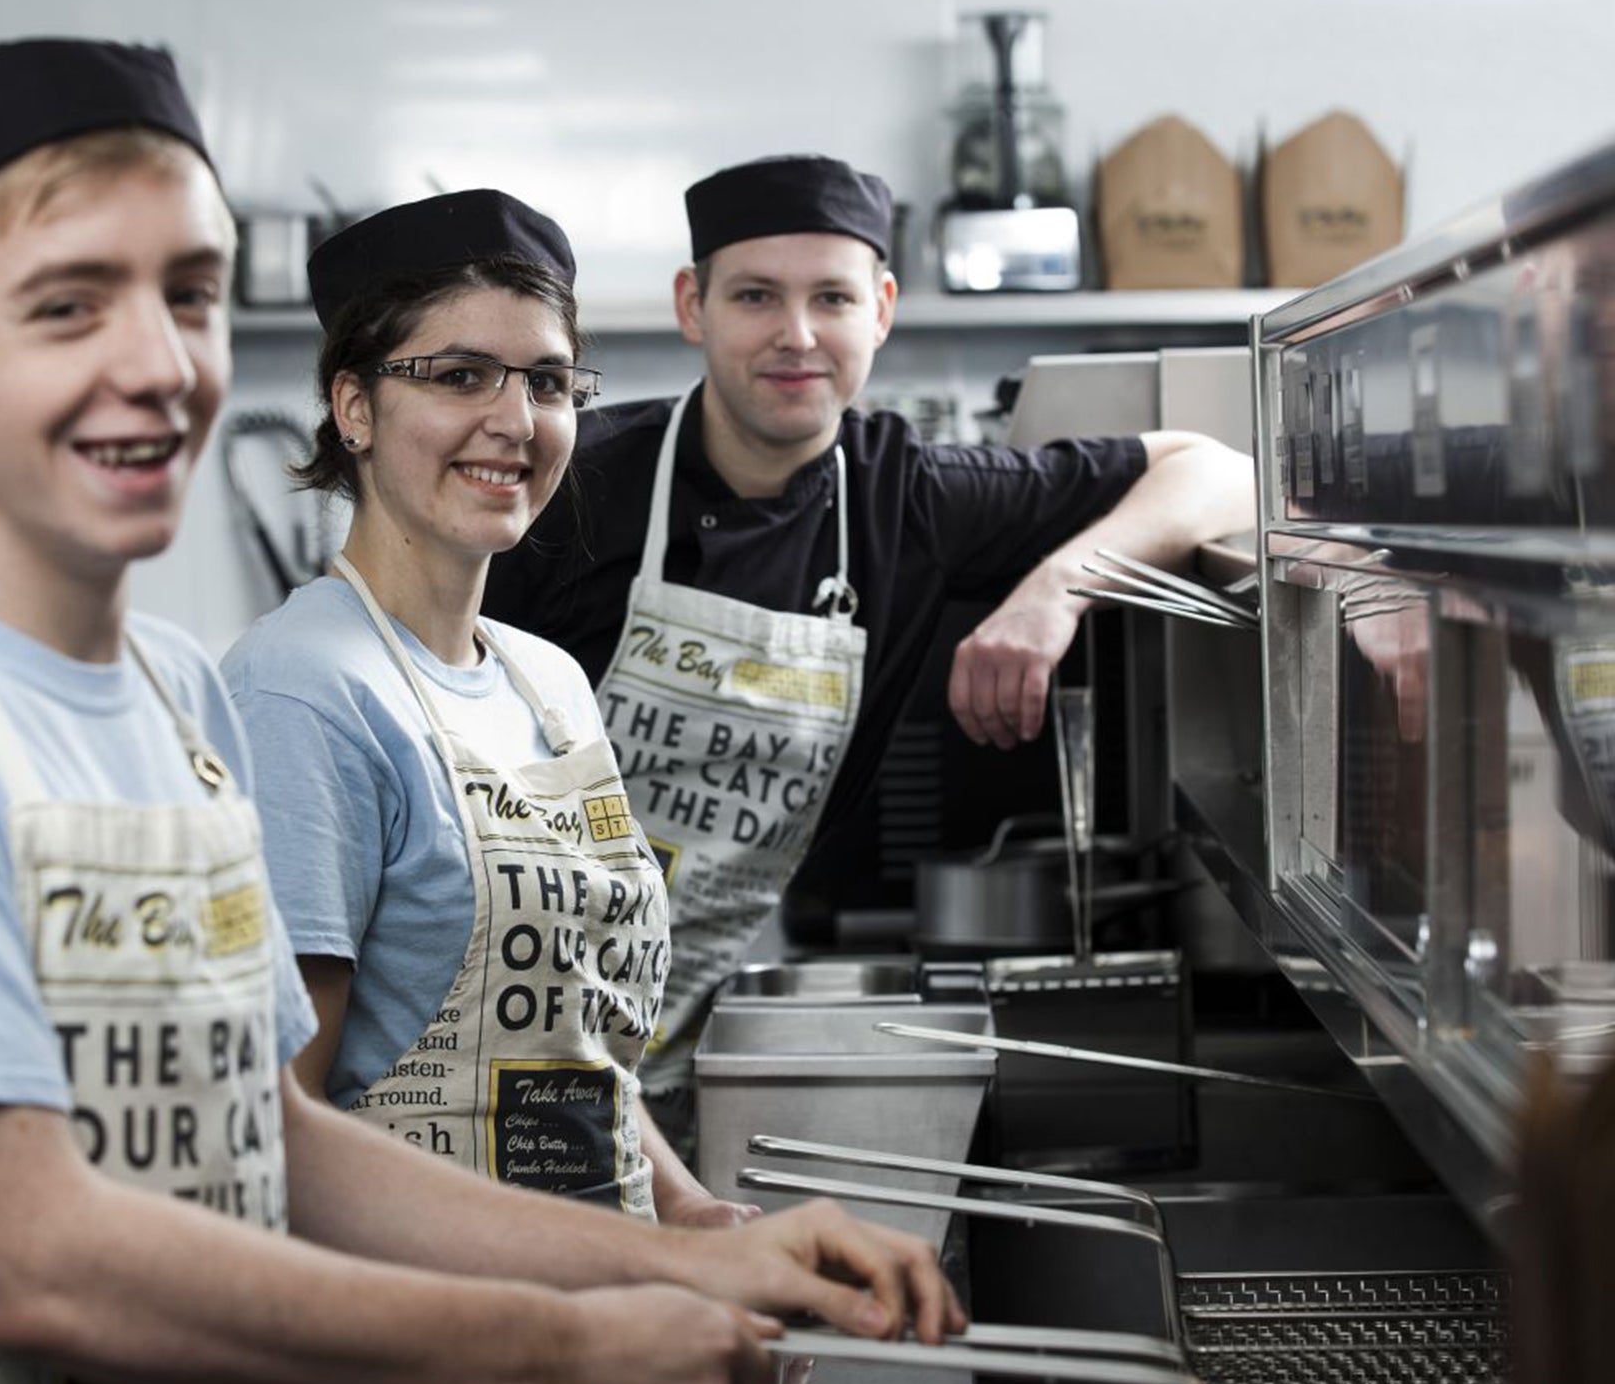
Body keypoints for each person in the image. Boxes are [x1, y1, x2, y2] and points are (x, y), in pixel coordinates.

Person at [0, 46, 961, 1384]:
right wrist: (570, 1345)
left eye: (193, 297)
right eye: (66, 306)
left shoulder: (167, 689)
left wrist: (696, 1257)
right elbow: (38, 1261)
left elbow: (276, 1138)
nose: (160, 365)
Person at [484, 153, 1256, 1142]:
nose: (795, 335)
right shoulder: (569, 488)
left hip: (680, 1042)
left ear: (881, 309)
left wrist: (1050, 593)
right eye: (755, 295)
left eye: (831, 298)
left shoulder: (907, 499)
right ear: (694, 306)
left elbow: (1215, 471)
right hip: (498, 1015)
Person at [222, 191, 741, 1227]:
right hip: (436, 1332)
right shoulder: (303, 691)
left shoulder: (545, 680)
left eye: (547, 382)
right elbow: (278, 1130)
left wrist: (685, 1216)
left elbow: (572, 1041)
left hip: (603, 1298)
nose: (514, 422)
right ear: (355, 407)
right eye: (459, 376)